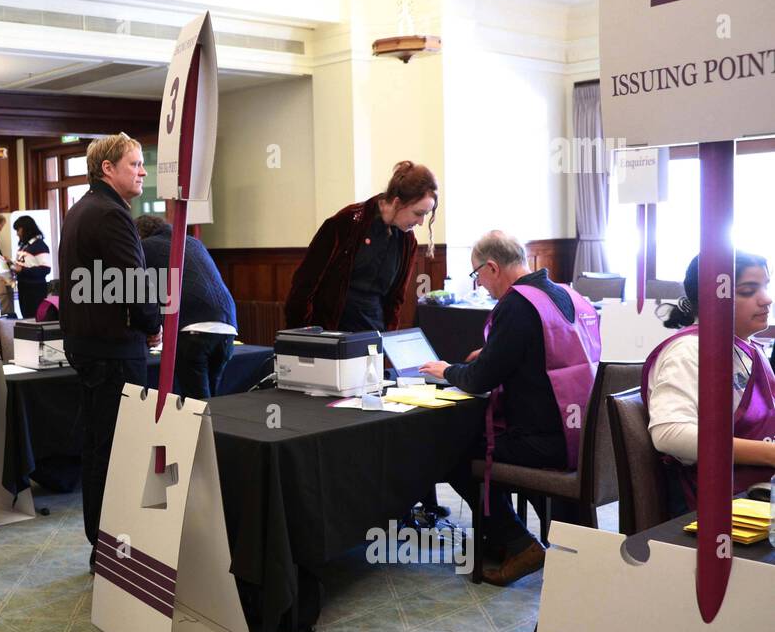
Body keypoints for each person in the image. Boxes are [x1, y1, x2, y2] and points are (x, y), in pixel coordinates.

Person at [420, 231, 600, 586]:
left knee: (455, 451)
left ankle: (517, 543)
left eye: (477, 276)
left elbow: (480, 380)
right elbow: (545, 353)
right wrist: (491, 354)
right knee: (489, 444)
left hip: (543, 443)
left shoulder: (516, 305)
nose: (481, 285)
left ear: (492, 267)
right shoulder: (567, 294)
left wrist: (447, 370)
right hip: (580, 437)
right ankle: (553, 540)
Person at [59, 132, 161, 567]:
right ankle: (110, 549)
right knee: (118, 451)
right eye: (135, 164)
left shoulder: (83, 208)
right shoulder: (111, 215)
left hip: (91, 345)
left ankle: (102, 545)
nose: (142, 171)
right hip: (113, 350)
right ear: (108, 169)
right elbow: (132, 284)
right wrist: (152, 324)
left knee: (101, 447)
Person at [644, 252, 775, 517]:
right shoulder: (689, 352)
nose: (766, 299)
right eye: (749, 291)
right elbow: (669, 433)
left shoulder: (747, 348)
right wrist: (769, 454)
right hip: (715, 501)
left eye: (766, 286)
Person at [285, 160, 438, 333]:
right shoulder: (346, 223)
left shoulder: (407, 241)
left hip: (374, 333)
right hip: (332, 331)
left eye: (425, 215)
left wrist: (387, 338)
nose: (420, 222)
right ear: (397, 202)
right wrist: (303, 336)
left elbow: (396, 299)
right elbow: (305, 284)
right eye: (418, 214)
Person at [136, 214, 238, 399]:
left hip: (192, 328)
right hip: (227, 325)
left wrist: (152, 328)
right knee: (212, 400)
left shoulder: (145, 247)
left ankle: (205, 428)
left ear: (139, 235)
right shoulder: (192, 242)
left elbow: (145, 294)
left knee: (196, 403)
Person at [10, 215, 51, 319]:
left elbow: (45, 269)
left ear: (25, 229)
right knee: (26, 317)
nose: (17, 234)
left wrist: (22, 270)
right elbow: (25, 263)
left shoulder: (40, 245)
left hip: (35, 289)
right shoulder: (25, 246)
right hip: (24, 287)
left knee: (34, 317)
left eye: (18, 230)